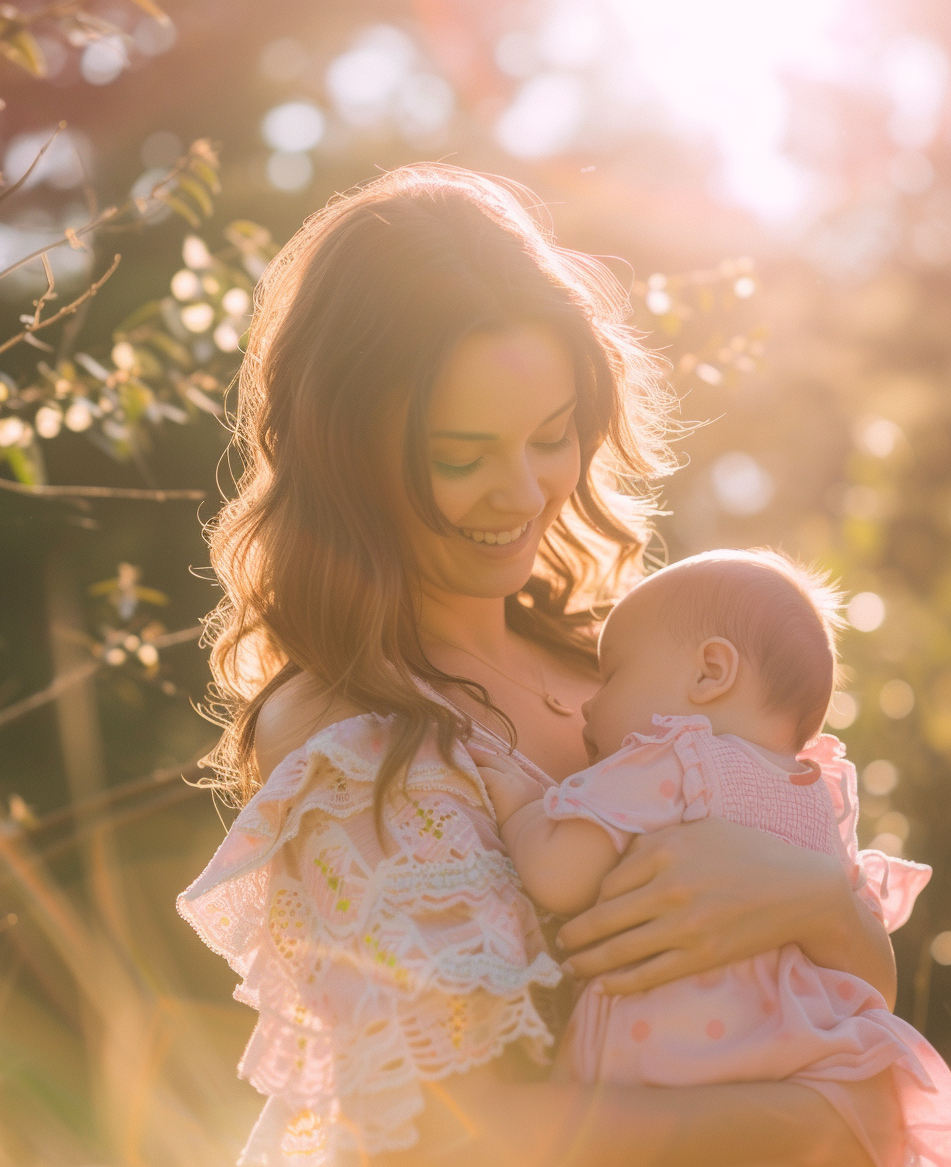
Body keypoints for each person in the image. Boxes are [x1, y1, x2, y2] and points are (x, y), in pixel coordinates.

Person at [177, 164, 899, 1167]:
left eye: (551, 437)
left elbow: (853, 982)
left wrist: (815, 899)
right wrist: (830, 1123)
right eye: (460, 454)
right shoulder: (357, 740)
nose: (521, 492)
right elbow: (460, 1138)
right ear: (348, 451)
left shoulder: (625, 658)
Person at [472, 549, 949, 1167]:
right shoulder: (816, 799)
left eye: (612, 675)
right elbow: (865, 976)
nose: (591, 705)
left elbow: (557, 875)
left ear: (710, 672)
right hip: (794, 1078)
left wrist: (520, 803)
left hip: (671, 1073)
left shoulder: (673, 759)